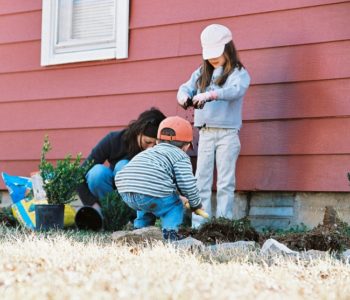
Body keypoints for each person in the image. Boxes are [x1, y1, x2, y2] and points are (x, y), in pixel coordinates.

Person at [177, 24, 251, 228]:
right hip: (206, 133)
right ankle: (199, 225)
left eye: (216, 53)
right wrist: (183, 96)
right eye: (209, 54)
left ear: (228, 48)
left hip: (228, 134)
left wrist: (211, 95)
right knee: (201, 180)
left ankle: (223, 225)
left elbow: (235, 91)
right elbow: (185, 87)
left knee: (226, 182)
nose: (212, 58)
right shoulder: (202, 72)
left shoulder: (238, 73)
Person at [115, 116, 203, 241]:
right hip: (147, 193)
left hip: (126, 190)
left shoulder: (149, 152)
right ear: (186, 146)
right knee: (175, 205)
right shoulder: (181, 156)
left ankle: (139, 231)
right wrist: (196, 204)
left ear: (157, 141)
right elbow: (187, 184)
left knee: (146, 200)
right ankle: (170, 234)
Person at [77, 107, 166, 216]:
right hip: (109, 197)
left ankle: (129, 217)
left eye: (156, 144)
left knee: (123, 166)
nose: (151, 148)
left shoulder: (162, 152)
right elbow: (78, 175)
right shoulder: (114, 140)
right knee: (97, 173)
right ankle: (108, 215)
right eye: (147, 142)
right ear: (138, 132)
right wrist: (93, 205)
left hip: (139, 204)